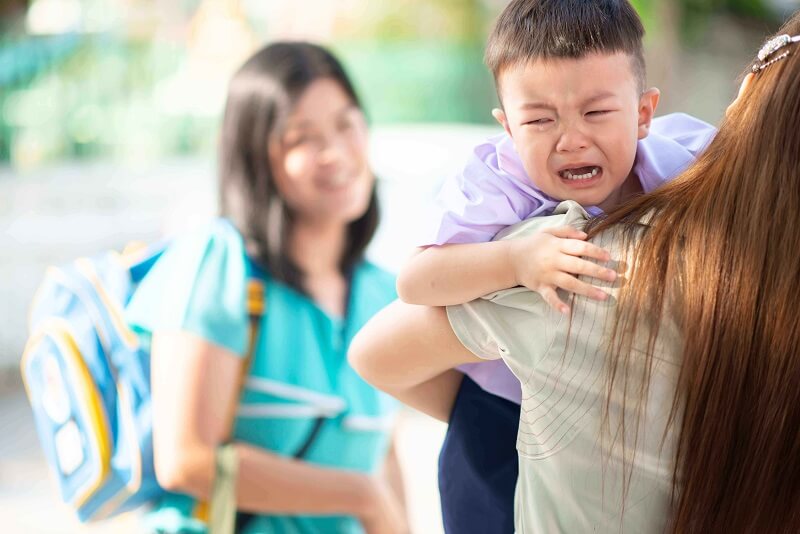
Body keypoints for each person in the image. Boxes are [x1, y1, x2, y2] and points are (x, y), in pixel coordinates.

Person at [350, 12, 800, 533]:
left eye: (597, 112)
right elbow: (414, 280)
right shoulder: (496, 182)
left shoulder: (685, 160)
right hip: (500, 401)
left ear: (644, 113)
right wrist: (514, 261)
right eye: (540, 120)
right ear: (507, 126)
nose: (571, 139)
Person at [125, 42, 408, 534]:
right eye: (302, 138)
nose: (336, 153)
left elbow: (381, 454)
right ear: (257, 157)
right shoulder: (219, 262)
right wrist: (359, 495)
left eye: (346, 124)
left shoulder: (382, 291)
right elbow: (186, 459)